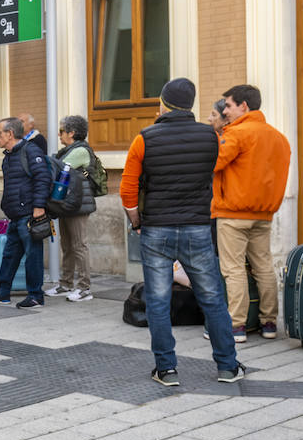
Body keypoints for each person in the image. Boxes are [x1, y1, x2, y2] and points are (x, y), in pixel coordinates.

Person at [122, 77, 244, 385]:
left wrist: (136, 221)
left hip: (157, 230)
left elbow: (127, 188)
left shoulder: (144, 138)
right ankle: (228, 366)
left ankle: (166, 369)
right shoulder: (212, 136)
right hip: (198, 227)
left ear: (163, 103)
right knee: (213, 298)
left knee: (158, 301)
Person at [213, 84, 291, 343]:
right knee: (264, 266)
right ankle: (269, 323)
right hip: (264, 213)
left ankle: (237, 326)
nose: (224, 111)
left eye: (228, 105)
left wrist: (215, 137)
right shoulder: (279, 137)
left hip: (233, 212)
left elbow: (214, 162)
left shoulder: (236, 134)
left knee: (233, 269)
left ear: (243, 106)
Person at [0, 117, 48, 309]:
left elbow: (43, 178)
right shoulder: (9, 156)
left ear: (10, 134)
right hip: (16, 215)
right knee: (9, 255)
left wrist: (39, 207)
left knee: (33, 255)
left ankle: (35, 296)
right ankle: (2, 292)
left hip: (29, 214)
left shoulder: (31, 151)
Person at [51, 114, 97, 303]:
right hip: (68, 203)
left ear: (72, 133)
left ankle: (84, 288)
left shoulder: (80, 151)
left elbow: (60, 168)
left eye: (61, 131)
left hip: (79, 205)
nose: (59, 135)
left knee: (79, 246)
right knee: (67, 246)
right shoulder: (68, 150)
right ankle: (66, 283)